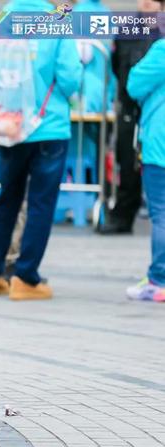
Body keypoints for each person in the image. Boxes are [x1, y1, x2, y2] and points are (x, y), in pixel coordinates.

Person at [0, 0, 83, 300]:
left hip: (8, 126)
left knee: (7, 197)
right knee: (40, 203)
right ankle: (25, 277)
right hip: (48, 125)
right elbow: (70, 77)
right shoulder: (57, 23)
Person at [99, 0, 162, 234]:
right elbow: (117, 66)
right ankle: (122, 217)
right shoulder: (126, 29)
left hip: (155, 108)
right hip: (129, 106)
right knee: (127, 162)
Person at [125, 0, 165, 302]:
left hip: (160, 144)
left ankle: (159, 279)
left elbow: (134, 84)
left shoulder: (162, 50)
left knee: (161, 213)